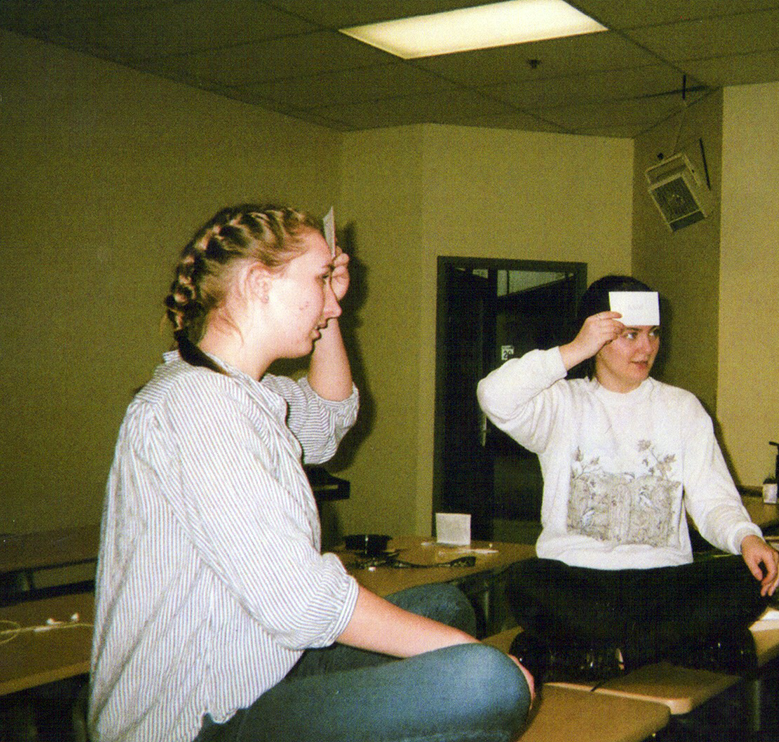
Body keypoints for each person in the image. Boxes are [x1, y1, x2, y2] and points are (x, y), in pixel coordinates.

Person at [89, 205, 532, 742]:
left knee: (442, 605)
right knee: (485, 680)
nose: (334, 297)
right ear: (258, 283)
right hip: (196, 717)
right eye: (321, 280)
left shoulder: (245, 394)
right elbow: (301, 600)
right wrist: (469, 654)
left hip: (257, 670)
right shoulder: (196, 407)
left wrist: (329, 311)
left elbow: (328, 418)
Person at [476, 275, 779, 682]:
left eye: (654, 333)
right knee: (524, 581)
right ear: (595, 336)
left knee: (746, 578)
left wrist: (747, 538)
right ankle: (685, 644)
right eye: (630, 335)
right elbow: (494, 395)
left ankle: (599, 655)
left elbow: (713, 499)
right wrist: (571, 351)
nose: (647, 348)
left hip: (660, 585)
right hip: (580, 583)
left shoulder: (683, 408)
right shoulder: (561, 404)